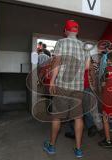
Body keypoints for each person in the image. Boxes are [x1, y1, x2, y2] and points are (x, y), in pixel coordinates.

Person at [43, 20, 90, 158]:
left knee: (57, 116)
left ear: (65, 31)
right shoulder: (84, 46)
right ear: (77, 31)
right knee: (78, 118)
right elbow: (87, 67)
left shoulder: (61, 43)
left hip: (63, 86)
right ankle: (79, 150)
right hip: (78, 87)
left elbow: (56, 62)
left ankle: (51, 146)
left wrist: (52, 81)